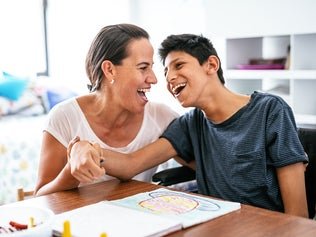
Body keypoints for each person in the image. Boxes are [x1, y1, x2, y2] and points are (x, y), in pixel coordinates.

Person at [68, 33, 308, 218]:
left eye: (179, 65)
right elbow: (131, 164)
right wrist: (88, 149)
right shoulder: (191, 123)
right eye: (166, 71)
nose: (169, 78)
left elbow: (297, 215)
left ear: (211, 65)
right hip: (216, 225)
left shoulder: (270, 111)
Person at [33, 23, 179, 196]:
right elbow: (40, 197)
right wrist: (72, 171)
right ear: (109, 70)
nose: (154, 79)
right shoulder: (64, 117)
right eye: (143, 67)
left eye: (151, 67)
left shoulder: (162, 117)